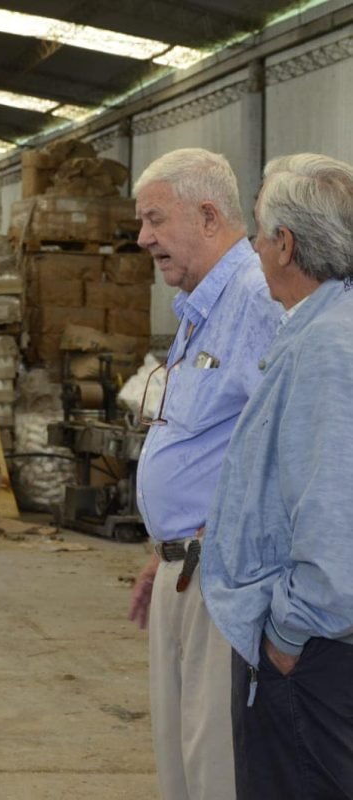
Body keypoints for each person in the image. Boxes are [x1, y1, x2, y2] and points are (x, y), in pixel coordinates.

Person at [126, 148, 282, 800]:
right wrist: (164, 550)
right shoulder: (199, 308)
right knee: (181, 759)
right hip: (184, 566)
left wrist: (213, 539)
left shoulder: (255, 301)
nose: (144, 239)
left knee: (216, 760)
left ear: (210, 214)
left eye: (155, 220)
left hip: (224, 574)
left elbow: (285, 444)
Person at [202, 154, 353, 800]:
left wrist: (286, 636)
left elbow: (332, 515)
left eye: (260, 235)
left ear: (285, 245)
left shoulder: (327, 349)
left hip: (315, 654)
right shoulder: (321, 329)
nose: (256, 248)